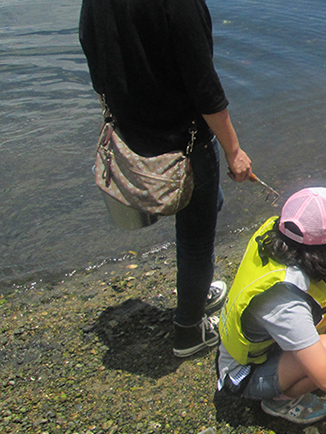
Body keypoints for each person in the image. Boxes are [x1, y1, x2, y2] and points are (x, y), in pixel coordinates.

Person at [79, 0, 253, 357]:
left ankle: (197, 289)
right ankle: (189, 331)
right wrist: (234, 151)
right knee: (195, 239)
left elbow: (92, 50)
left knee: (208, 207)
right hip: (185, 143)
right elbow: (205, 88)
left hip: (131, 131)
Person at [216, 187, 326, 424]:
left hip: (267, 338)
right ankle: (280, 400)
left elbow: (311, 277)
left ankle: (306, 362)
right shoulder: (284, 302)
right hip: (247, 372)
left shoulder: (280, 233)